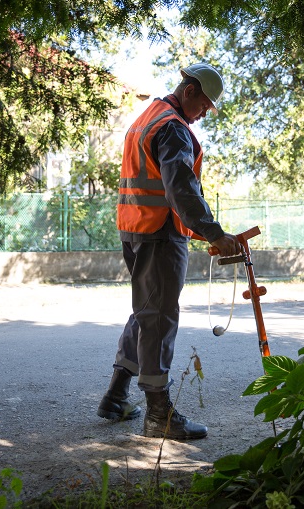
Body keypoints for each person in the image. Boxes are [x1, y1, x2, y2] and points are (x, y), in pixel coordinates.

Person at [97, 62, 240, 440]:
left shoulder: (147, 117)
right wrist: (214, 233)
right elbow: (181, 190)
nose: (206, 113)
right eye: (206, 104)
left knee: (146, 311)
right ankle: (159, 414)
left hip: (135, 228)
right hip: (158, 233)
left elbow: (159, 185)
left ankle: (115, 396)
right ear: (189, 90)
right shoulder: (173, 127)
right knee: (158, 317)